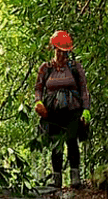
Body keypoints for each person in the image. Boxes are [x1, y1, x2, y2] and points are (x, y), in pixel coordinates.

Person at [34, 30, 91, 189]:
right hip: (53, 112)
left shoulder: (75, 67)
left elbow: (83, 89)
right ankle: (56, 179)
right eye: (58, 51)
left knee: (72, 142)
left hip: (73, 111)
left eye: (63, 52)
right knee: (56, 145)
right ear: (53, 50)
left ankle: (75, 178)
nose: (60, 54)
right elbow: (38, 88)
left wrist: (86, 110)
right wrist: (38, 103)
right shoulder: (46, 68)